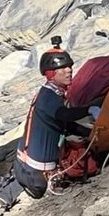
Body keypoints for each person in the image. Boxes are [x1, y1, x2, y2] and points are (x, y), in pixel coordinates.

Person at [14, 37, 101, 198]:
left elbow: (62, 124)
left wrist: (90, 133)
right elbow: (65, 116)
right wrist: (89, 109)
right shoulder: (48, 98)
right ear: (51, 74)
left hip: (35, 161)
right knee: (41, 188)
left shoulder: (52, 94)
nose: (69, 70)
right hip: (35, 170)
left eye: (69, 67)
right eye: (63, 68)